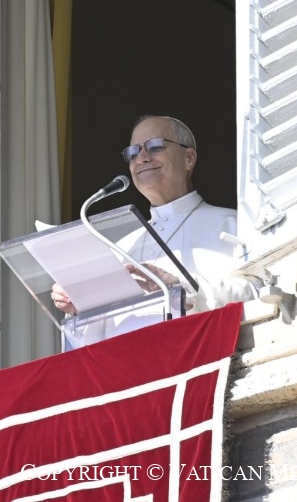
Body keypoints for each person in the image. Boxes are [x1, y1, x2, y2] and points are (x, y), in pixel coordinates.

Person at [52, 115, 258, 344]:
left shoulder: (234, 224)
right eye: (133, 152)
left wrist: (180, 289)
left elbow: (258, 292)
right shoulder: (121, 248)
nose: (141, 158)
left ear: (189, 159)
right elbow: (96, 339)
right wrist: (81, 308)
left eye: (155, 146)